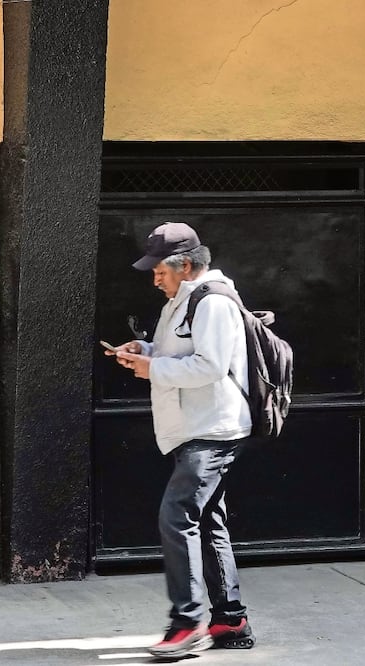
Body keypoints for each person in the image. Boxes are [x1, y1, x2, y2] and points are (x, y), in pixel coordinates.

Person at [107, 222, 256, 658]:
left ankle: (187, 623)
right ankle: (230, 620)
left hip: (212, 428)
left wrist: (153, 369)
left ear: (185, 266)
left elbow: (210, 366)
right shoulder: (184, 299)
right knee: (207, 520)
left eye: (160, 270)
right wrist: (145, 350)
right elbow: (180, 355)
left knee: (177, 517)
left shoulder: (212, 302)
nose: (155, 278)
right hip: (196, 426)